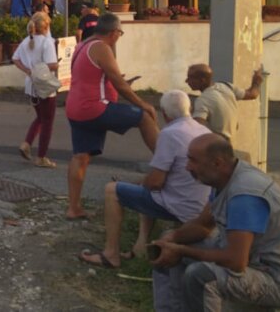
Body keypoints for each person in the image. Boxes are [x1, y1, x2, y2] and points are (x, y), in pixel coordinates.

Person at [152, 134, 280, 311]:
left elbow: (235, 261)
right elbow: (202, 226)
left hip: (278, 282)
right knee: (166, 248)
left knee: (201, 276)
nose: (187, 167)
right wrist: (171, 238)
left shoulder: (244, 194)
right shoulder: (224, 179)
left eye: (193, 161)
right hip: (250, 265)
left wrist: (181, 251)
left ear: (217, 163)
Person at [80, 91, 211, 269]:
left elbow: (155, 182)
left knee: (113, 190)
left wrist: (142, 183)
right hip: (202, 206)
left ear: (164, 113)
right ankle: (140, 246)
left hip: (181, 207)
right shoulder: (204, 131)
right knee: (147, 189)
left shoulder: (169, 133)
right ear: (190, 108)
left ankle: (111, 254)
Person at [65, 12, 159, 220]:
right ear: (114, 32)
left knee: (80, 156)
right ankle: (167, 161)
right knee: (144, 116)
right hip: (94, 108)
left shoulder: (83, 45)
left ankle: (73, 208)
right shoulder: (101, 47)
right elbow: (118, 81)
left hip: (75, 107)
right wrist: (143, 103)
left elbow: (97, 77)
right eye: (120, 34)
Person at [13, 12, 59, 168]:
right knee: (48, 121)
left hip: (31, 84)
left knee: (40, 117)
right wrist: (59, 64)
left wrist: (28, 70)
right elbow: (52, 64)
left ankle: (27, 143)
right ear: (46, 26)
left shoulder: (27, 40)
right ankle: (41, 156)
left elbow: (15, 58)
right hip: (44, 85)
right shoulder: (47, 42)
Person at [186, 64, 264, 141]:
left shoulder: (202, 100)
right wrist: (256, 82)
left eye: (190, 78)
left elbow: (198, 127)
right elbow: (253, 94)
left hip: (215, 146)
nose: (186, 81)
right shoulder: (226, 86)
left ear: (202, 80)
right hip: (228, 143)